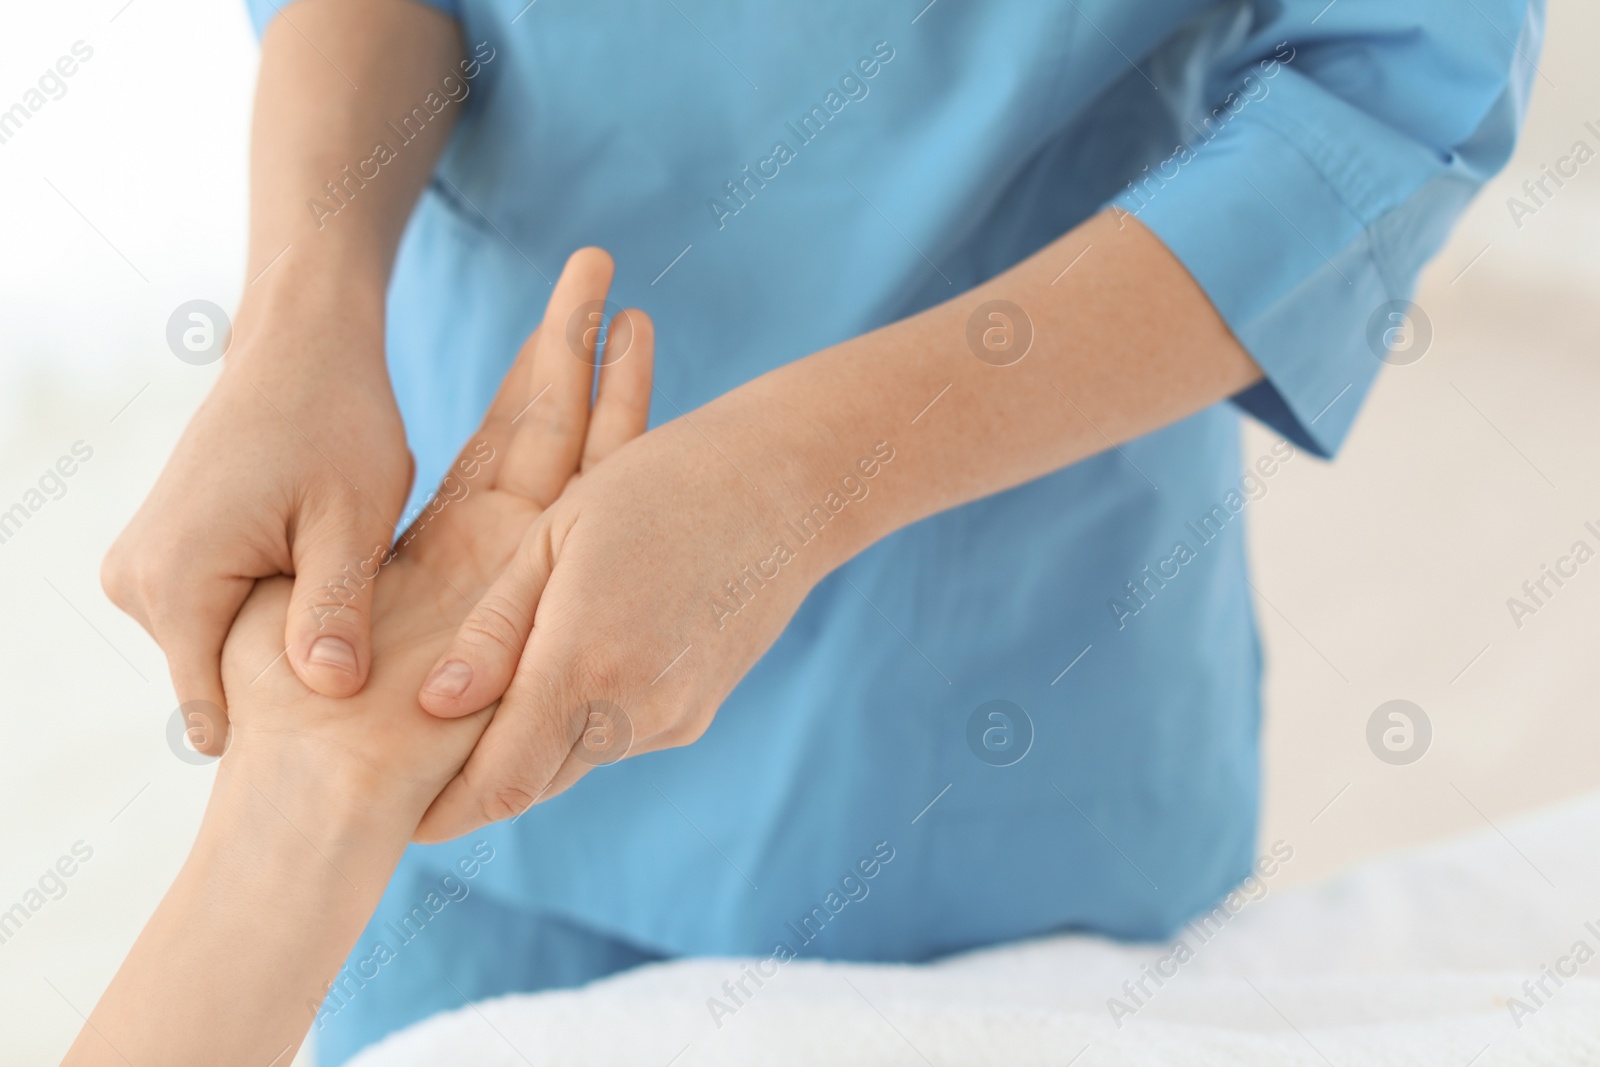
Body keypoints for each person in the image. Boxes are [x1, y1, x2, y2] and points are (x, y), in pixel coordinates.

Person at [96, 0, 1543, 1061]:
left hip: (990, 724)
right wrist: (301, 310)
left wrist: (816, 476)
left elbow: (1389, 93)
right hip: (464, 634)